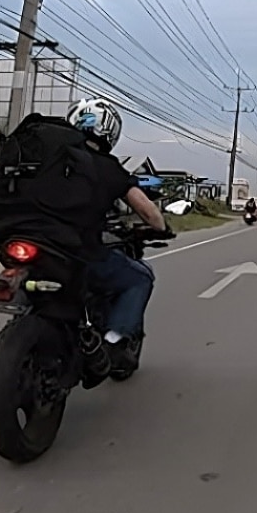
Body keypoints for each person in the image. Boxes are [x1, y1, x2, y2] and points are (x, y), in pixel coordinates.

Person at [63, 99, 170, 386]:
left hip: (21, 242)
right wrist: (161, 227)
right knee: (140, 278)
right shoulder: (108, 168)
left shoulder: (47, 157)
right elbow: (149, 212)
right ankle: (112, 340)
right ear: (109, 130)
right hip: (76, 250)